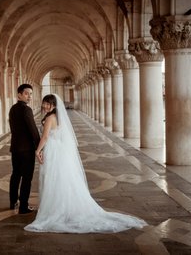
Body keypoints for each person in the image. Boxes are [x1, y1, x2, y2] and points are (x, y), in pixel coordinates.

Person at [24, 94, 147, 233]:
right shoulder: (58, 117)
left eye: (48, 104)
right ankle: (62, 206)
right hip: (59, 151)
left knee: (53, 179)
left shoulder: (50, 118)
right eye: (44, 103)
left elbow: (45, 137)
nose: (45, 106)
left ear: (54, 105)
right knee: (61, 179)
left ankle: (54, 209)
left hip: (53, 151)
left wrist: (37, 150)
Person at [9, 84, 41, 214]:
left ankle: (12, 202)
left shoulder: (12, 109)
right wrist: (39, 146)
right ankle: (23, 206)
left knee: (15, 174)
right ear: (19, 95)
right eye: (27, 93)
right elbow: (33, 130)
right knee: (27, 178)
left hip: (15, 148)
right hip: (27, 150)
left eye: (31, 94)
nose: (29, 96)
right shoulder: (26, 110)